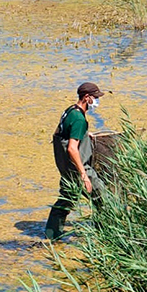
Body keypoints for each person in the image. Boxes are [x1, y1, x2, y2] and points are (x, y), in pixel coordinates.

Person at [44, 82, 106, 241]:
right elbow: (72, 148)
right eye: (95, 98)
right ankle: (105, 233)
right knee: (103, 197)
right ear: (87, 97)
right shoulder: (79, 118)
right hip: (78, 168)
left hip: (66, 168)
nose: (97, 101)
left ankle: (51, 235)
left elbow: (62, 133)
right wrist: (84, 175)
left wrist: (85, 134)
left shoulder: (70, 111)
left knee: (66, 200)